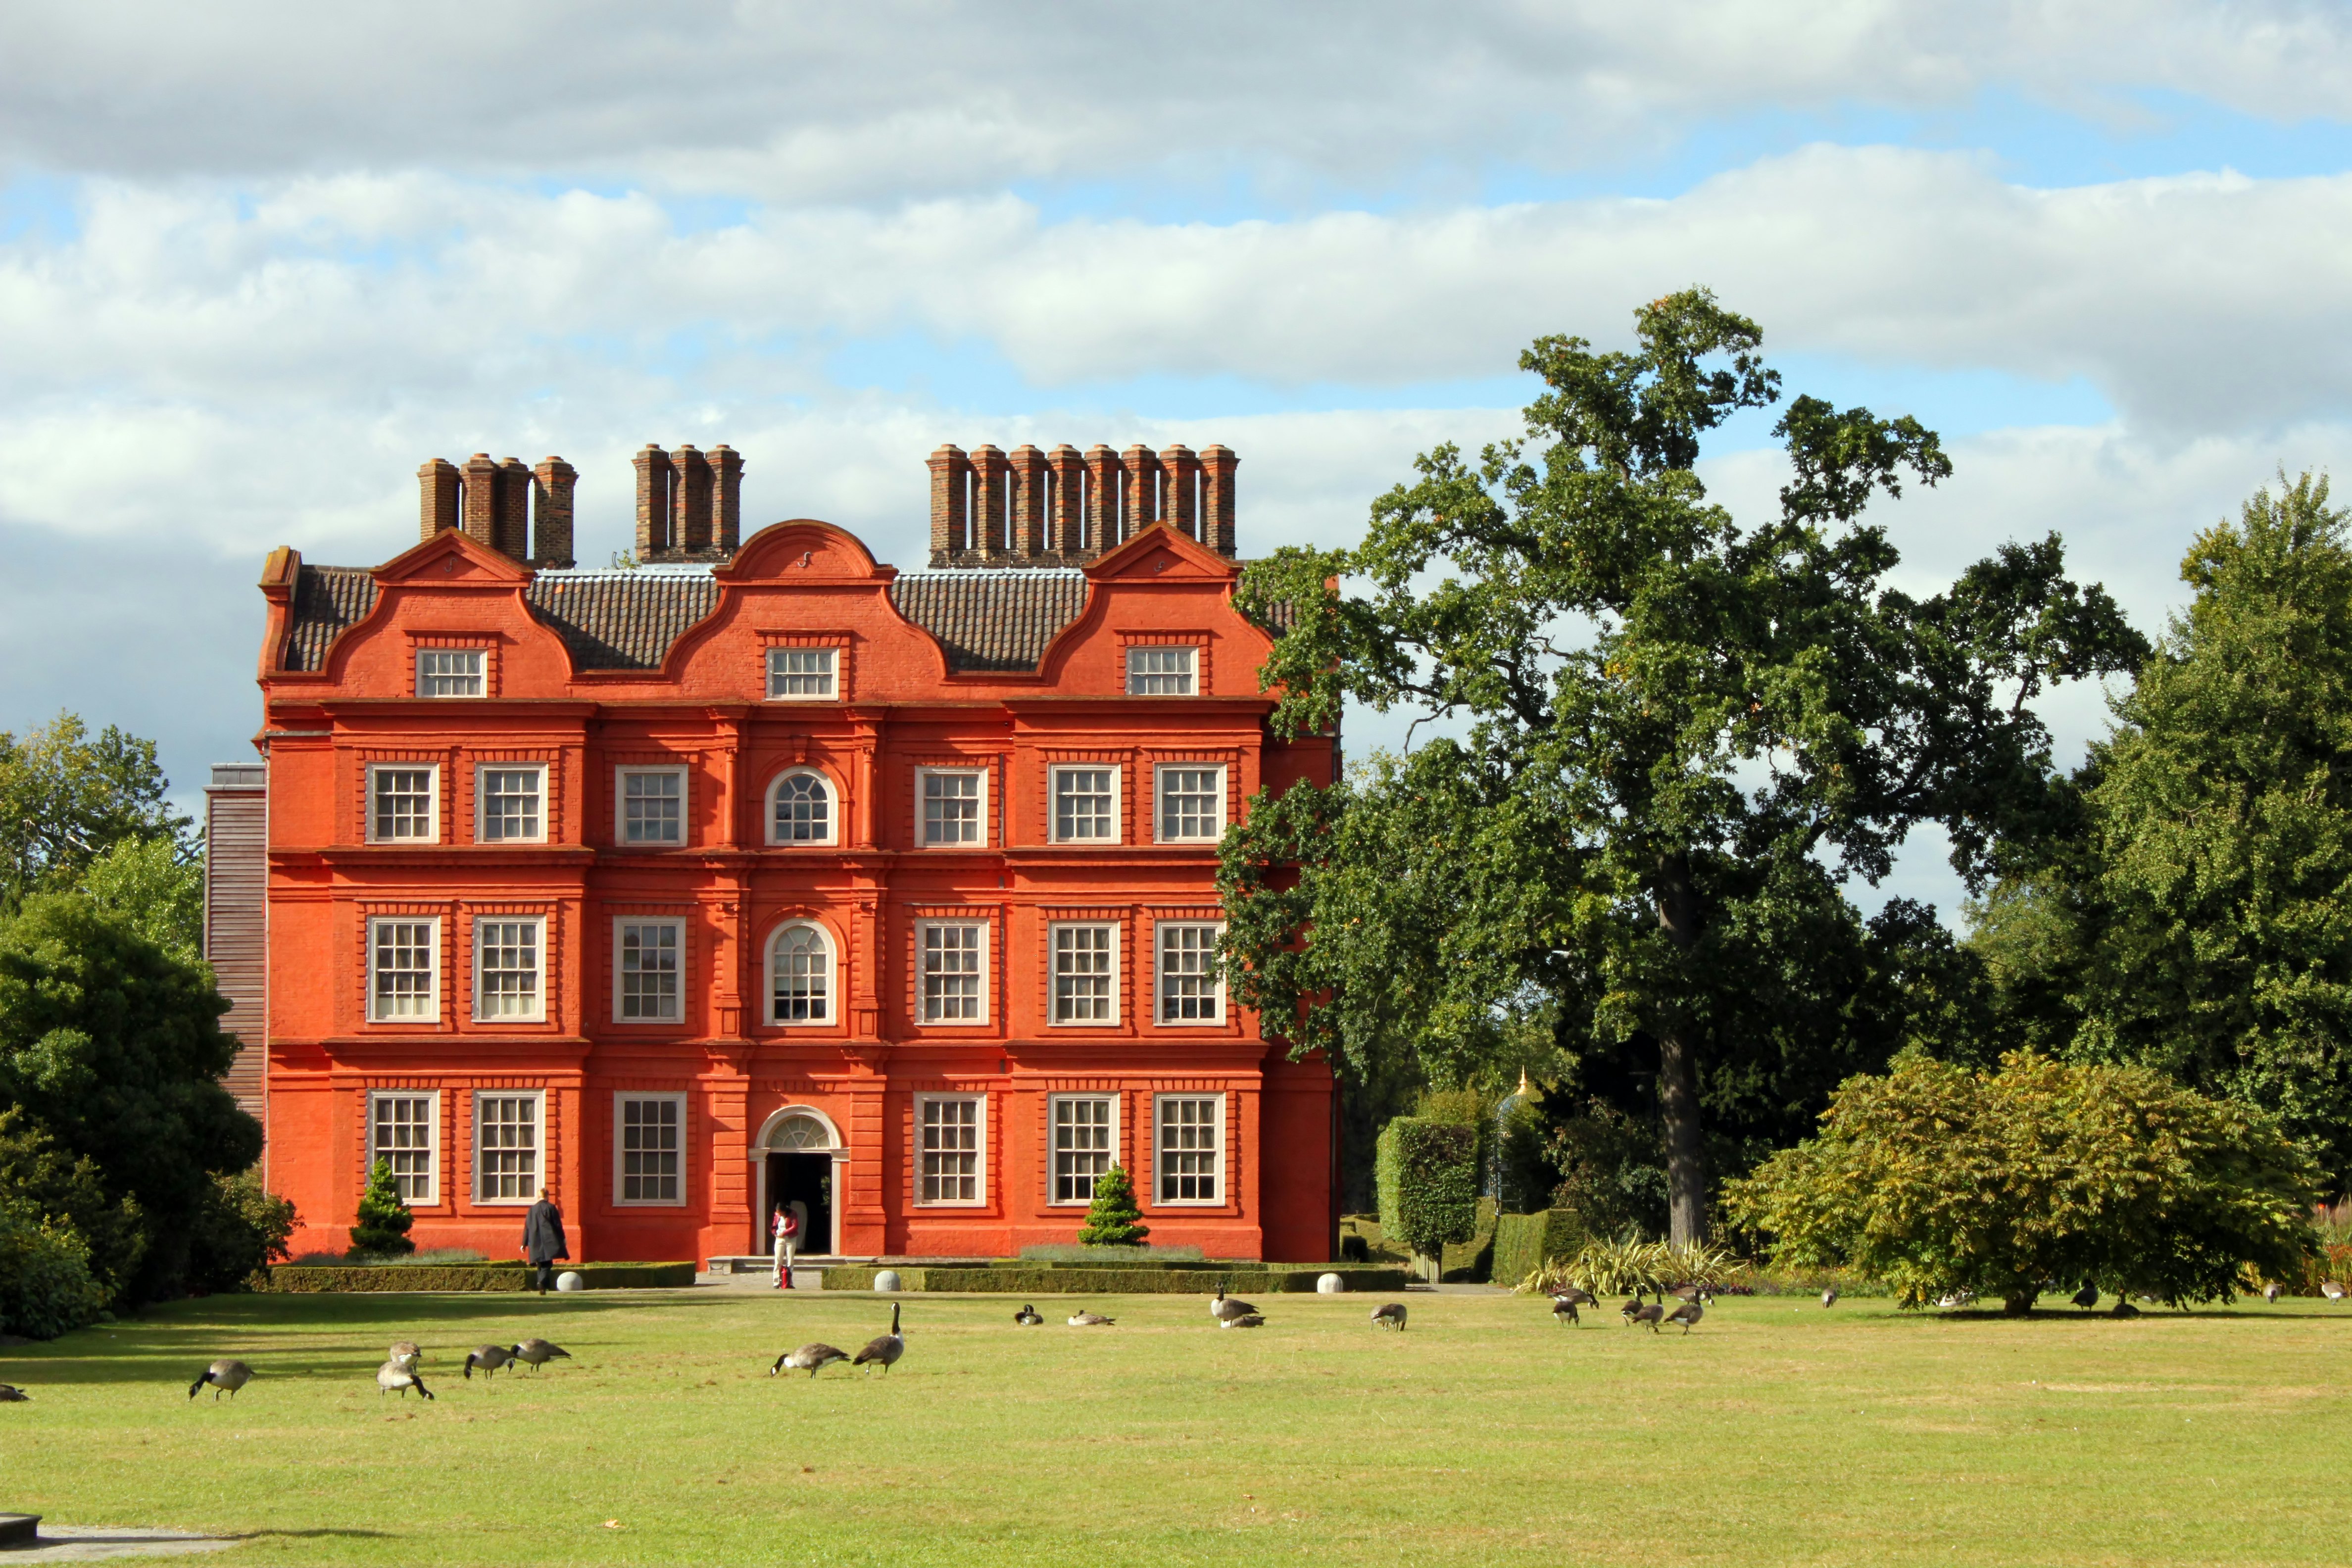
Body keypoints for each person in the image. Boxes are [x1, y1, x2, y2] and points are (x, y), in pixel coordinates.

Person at [523, 1187, 568, 1295]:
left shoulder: (532, 1210)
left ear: (539, 1196)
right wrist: (563, 1238)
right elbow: (558, 1225)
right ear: (548, 1196)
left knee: (540, 1264)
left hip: (535, 1241)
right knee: (548, 1265)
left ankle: (542, 1288)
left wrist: (524, 1243)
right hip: (548, 1240)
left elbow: (527, 1227)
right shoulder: (551, 1208)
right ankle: (541, 1282)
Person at [771, 1201, 800, 1289]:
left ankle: (789, 1282)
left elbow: (795, 1226)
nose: (779, 1214)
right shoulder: (777, 1215)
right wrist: (774, 1233)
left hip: (790, 1238)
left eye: (780, 1212)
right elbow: (774, 1225)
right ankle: (776, 1282)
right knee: (778, 1260)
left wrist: (784, 1233)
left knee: (790, 1261)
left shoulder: (792, 1214)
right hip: (779, 1239)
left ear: (784, 1211)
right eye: (778, 1212)